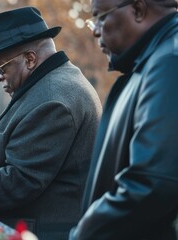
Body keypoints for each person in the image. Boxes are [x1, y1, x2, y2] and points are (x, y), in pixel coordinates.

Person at [0, 7, 102, 240]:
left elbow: (19, 180)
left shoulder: (53, 99)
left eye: (1, 67)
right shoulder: (50, 85)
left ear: (30, 59)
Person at [69, 1, 178, 239]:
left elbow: (153, 183)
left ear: (138, 10)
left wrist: (85, 233)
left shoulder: (170, 61)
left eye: (100, 17)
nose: (96, 30)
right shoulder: (153, 62)